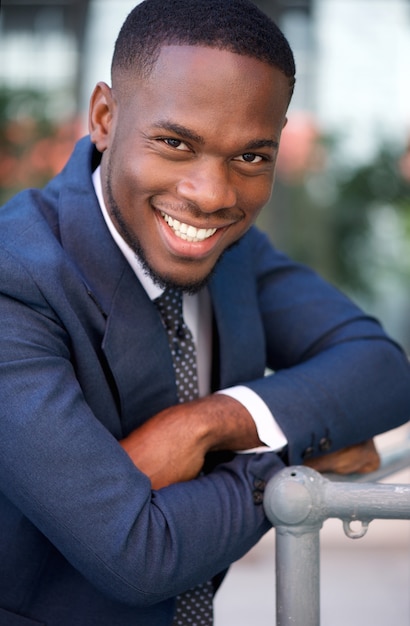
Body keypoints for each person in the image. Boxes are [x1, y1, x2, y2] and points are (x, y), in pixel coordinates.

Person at [0, 1, 409, 624]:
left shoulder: (232, 248)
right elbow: (137, 556)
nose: (213, 196)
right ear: (105, 118)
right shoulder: (15, 280)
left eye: (251, 157)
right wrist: (290, 466)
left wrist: (208, 424)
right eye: (174, 142)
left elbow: (382, 369)